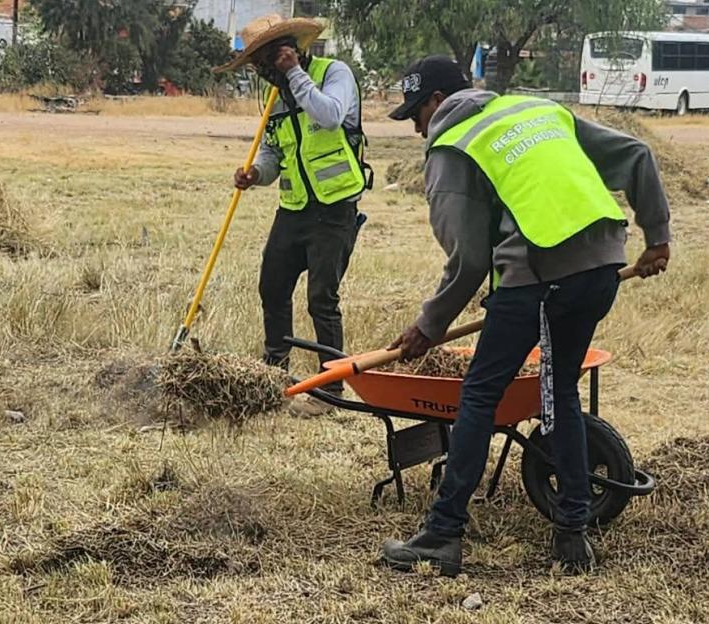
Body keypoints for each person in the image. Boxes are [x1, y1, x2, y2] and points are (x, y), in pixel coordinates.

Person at [378, 55, 672, 576]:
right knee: (558, 390)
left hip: (538, 275)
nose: (418, 129)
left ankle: (443, 534)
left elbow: (468, 260)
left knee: (479, 394)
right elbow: (636, 154)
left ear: (437, 103)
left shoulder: (453, 145)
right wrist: (657, 238)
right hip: (602, 263)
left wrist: (429, 326)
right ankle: (572, 533)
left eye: (415, 116)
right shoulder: (538, 111)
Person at [215, 15, 370, 408]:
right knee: (272, 285)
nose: (263, 75)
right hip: (295, 207)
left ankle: (331, 387)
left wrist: (296, 75)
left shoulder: (333, 74)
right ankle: (274, 376)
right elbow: (274, 152)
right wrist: (256, 174)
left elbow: (330, 115)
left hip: (335, 206)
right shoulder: (275, 96)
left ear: (286, 53)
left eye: (264, 64)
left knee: (322, 296)